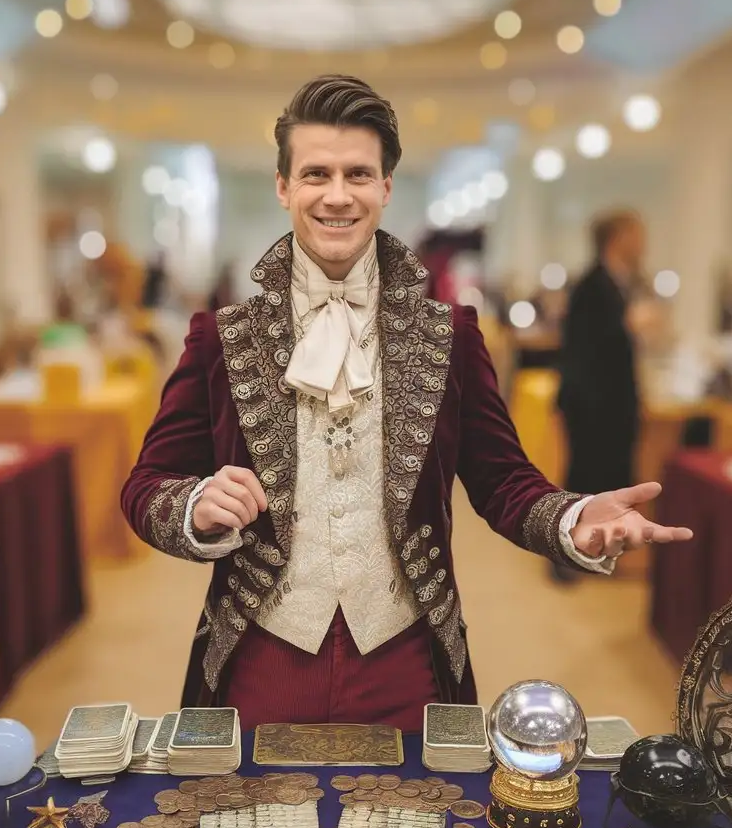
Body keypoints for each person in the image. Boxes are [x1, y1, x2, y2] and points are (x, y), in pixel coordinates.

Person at [121, 77, 692, 731]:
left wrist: (572, 518)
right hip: (258, 654)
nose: (338, 195)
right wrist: (193, 508)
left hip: (407, 658)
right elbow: (147, 485)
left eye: (358, 174)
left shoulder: (450, 334)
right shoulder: (221, 337)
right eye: (316, 174)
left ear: (385, 188)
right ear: (284, 188)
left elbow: (503, 483)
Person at [557, 211, 643, 498]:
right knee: (590, 484)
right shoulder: (593, 286)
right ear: (616, 239)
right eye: (636, 235)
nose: (643, 243)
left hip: (608, 406)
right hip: (594, 408)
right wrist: (632, 324)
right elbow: (593, 347)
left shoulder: (617, 283)